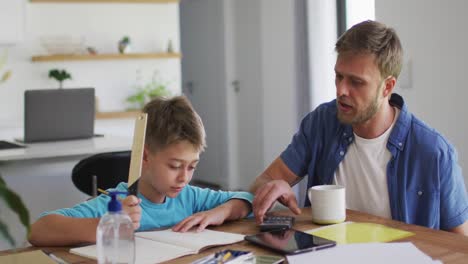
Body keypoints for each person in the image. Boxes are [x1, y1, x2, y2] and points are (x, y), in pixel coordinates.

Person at [250, 20, 468, 235]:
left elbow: (460, 247)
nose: (341, 90)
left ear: (387, 86)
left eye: (356, 82)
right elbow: (262, 182)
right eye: (339, 76)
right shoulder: (321, 123)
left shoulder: (434, 152)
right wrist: (274, 187)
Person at [29, 96, 253, 246]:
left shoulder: (190, 198)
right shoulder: (116, 203)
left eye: (192, 166)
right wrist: (108, 223)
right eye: (174, 166)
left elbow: (247, 199)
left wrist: (219, 212)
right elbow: (38, 230)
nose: (184, 177)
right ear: (145, 156)